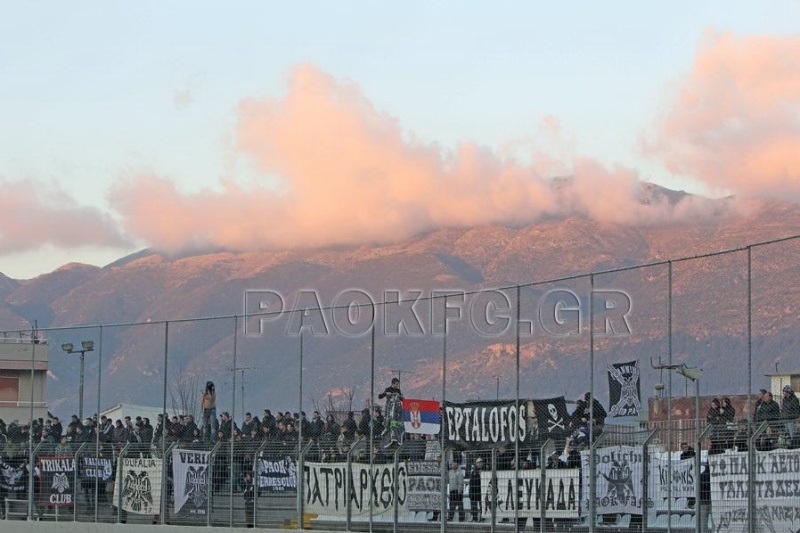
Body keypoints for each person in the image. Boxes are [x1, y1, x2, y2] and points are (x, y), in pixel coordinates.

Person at [378, 378, 404, 446]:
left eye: (398, 384)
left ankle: (396, 436)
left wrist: (400, 396)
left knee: (396, 422)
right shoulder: (388, 389)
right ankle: (388, 434)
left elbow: (403, 399)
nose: (397, 386)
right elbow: (380, 396)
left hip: (397, 409)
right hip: (390, 408)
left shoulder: (398, 390)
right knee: (389, 421)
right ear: (392, 383)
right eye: (396, 384)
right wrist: (386, 394)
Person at [468, 457, 485, 522]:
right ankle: (474, 518)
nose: (479, 464)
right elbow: (471, 482)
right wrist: (470, 491)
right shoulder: (473, 471)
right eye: (478, 463)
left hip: (481, 490)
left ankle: (482, 517)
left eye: (481, 462)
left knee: (482, 505)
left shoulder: (485, 470)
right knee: (473, 505)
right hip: (474, 490)